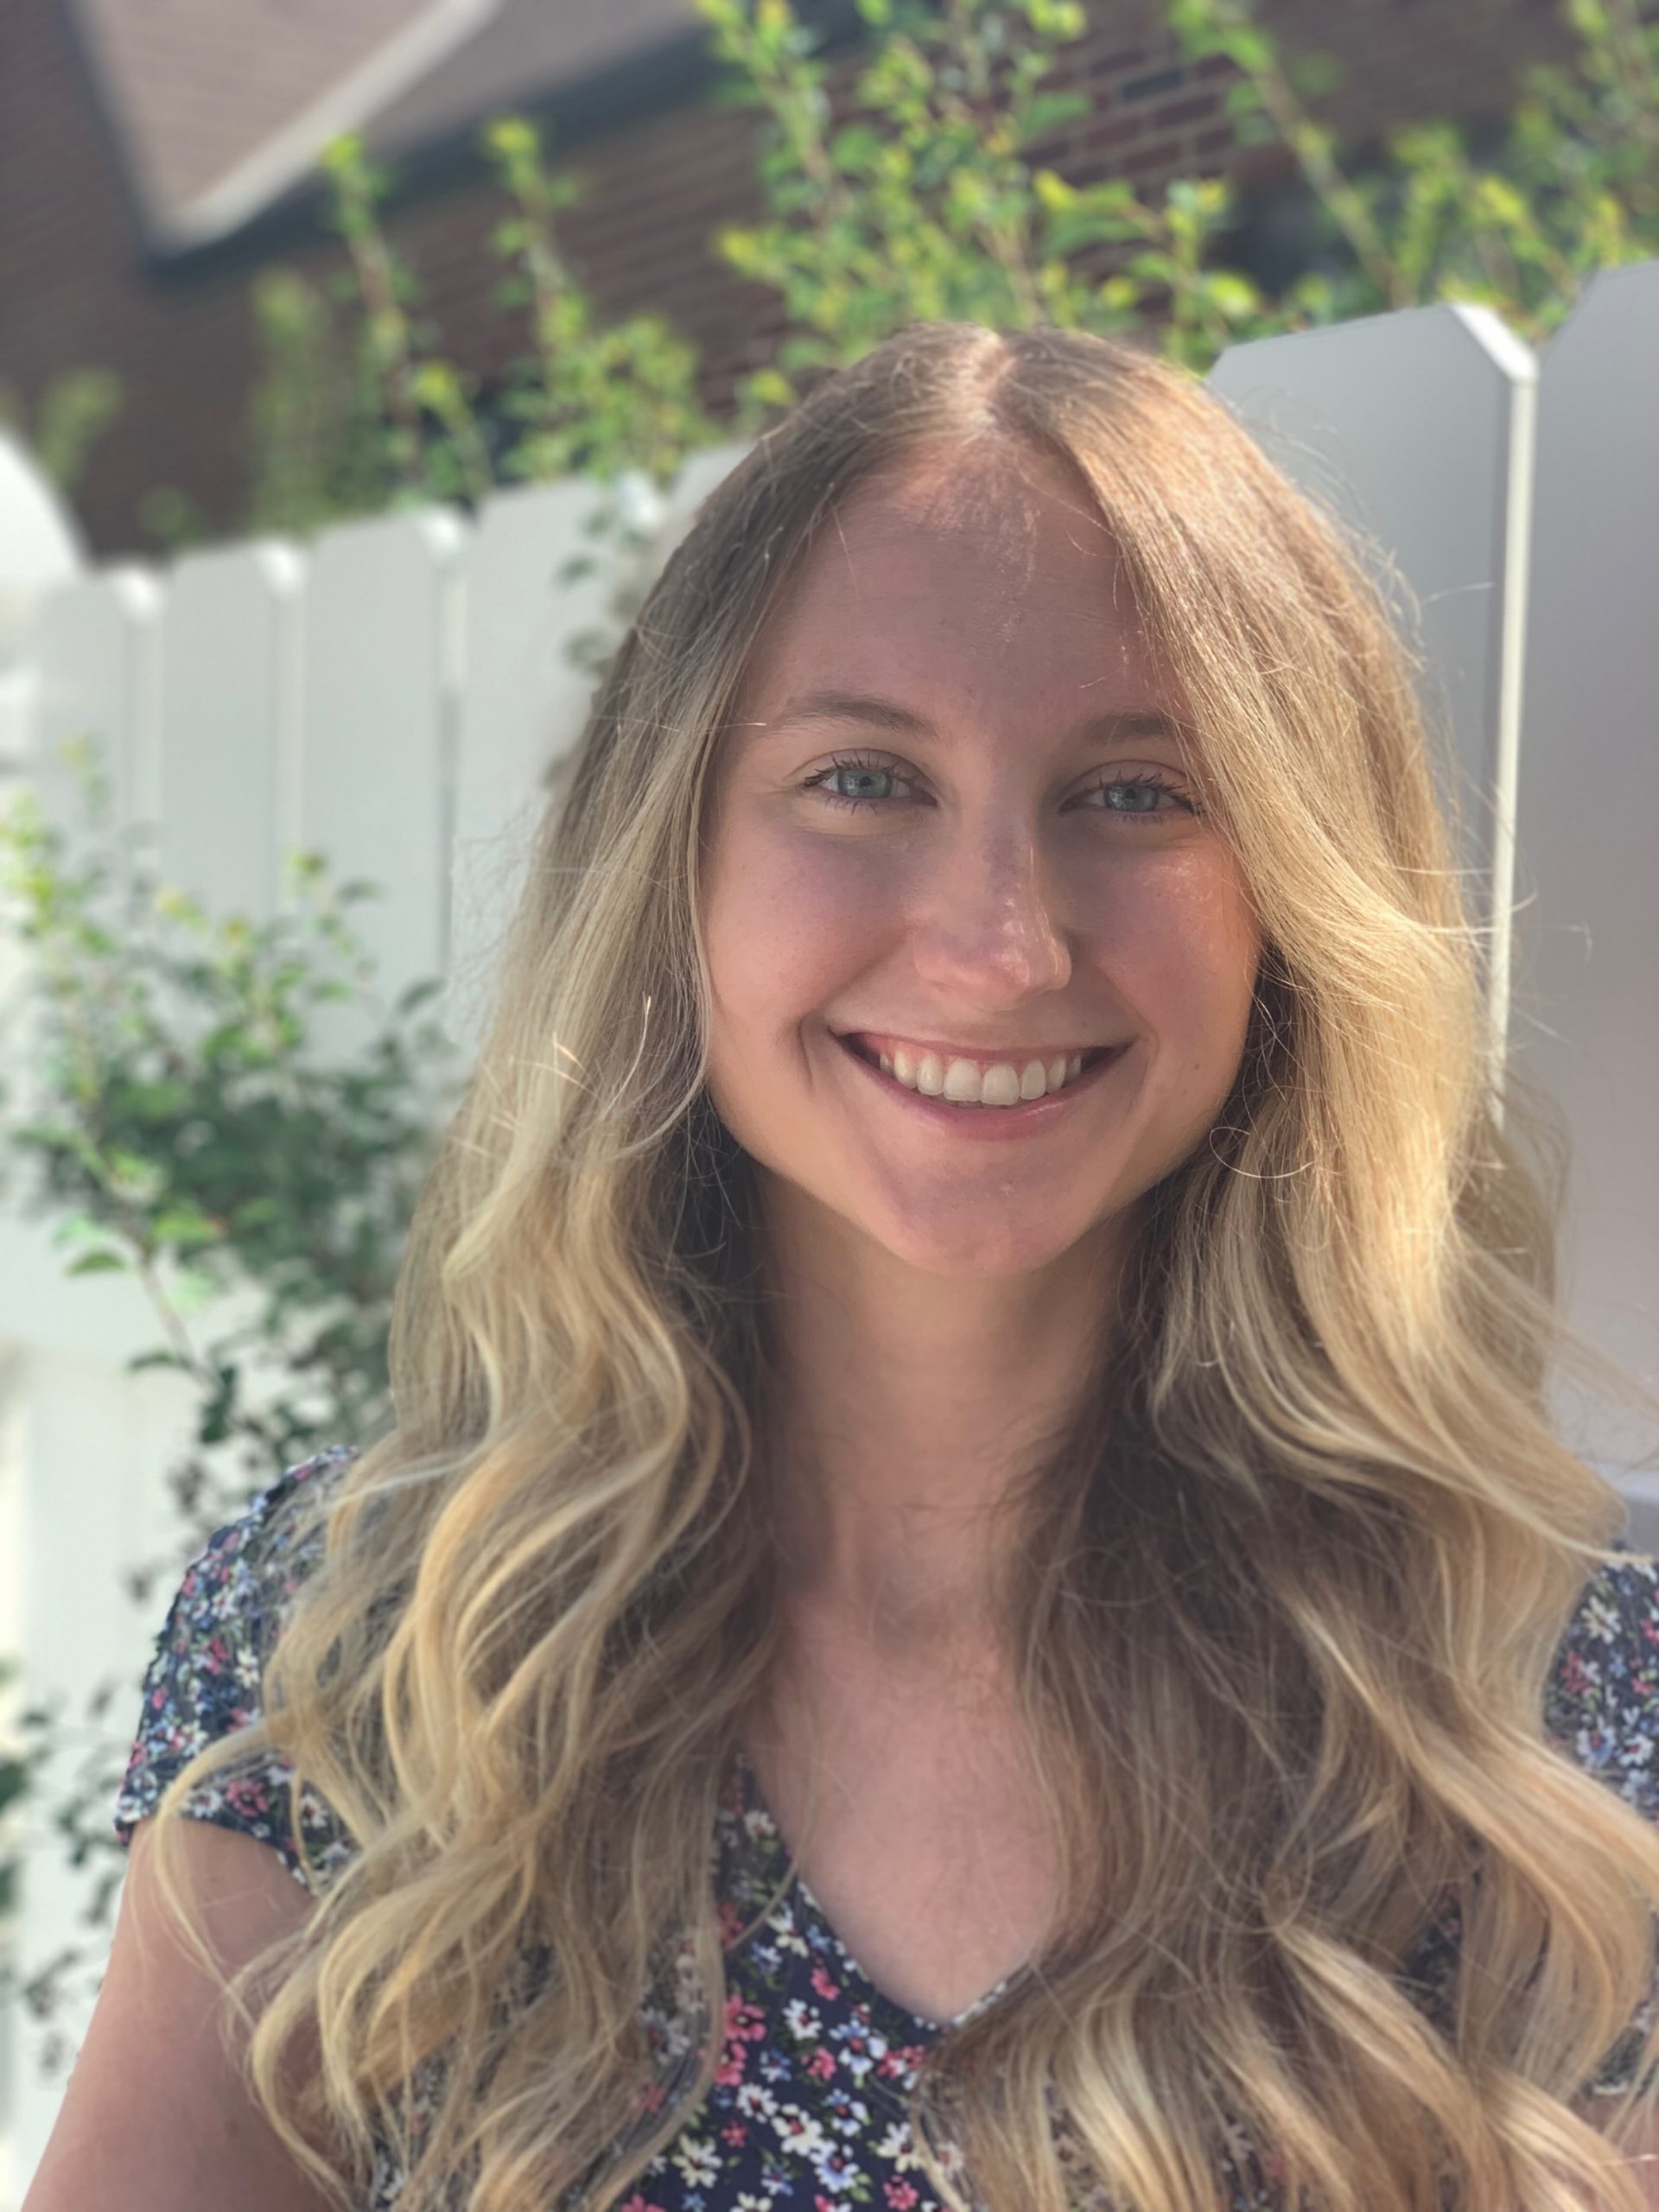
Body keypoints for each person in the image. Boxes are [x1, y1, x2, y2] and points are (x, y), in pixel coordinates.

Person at [23, 320, 1659, 2212]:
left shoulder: (1561, 1702)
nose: (999, 940)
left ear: (1295, 892)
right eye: (865, 779)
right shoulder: (363, 1650)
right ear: (676, 857)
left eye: (1138, 790)